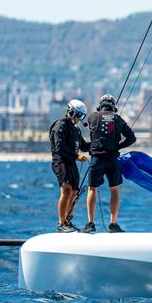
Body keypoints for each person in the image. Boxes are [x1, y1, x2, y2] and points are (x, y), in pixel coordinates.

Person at [81, 94, 136, 233]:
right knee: (114, 190)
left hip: (96, 159)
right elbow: (132, 138)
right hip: (112, 158)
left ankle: (90, 224)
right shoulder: (117, 119)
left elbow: (92, 134)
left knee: (92, 189)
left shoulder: (92, 116)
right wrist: (118, 146)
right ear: (113, 106)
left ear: (100, 105)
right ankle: (113, 224)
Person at [50, 99, 90, 232]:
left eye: (82, 116)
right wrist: (77, 156)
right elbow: (59, 147)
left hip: (71, 162)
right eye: (78, 115)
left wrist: (98, 142)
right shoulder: (60, 125)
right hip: (60, 162)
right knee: (66, 189)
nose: (79, 118)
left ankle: (67, 220)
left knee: (74, 192)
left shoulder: (76, 129)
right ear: (71, 111)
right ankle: (61, 223)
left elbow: (84, 146)